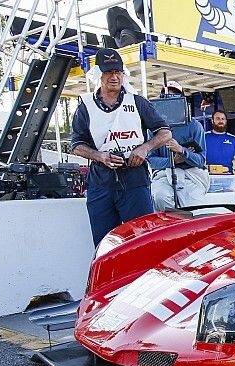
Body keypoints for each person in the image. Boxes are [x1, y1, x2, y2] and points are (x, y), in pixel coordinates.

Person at [71, 47, 172, 247]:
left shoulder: (137, 102)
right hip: (101, 183)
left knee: (145, 242)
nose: (114, 77)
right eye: (109, 72)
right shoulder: (85, 105)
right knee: (104, 245)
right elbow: (76, 145)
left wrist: (145, 148)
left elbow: (165, 132)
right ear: (100, 74)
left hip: (135, 180)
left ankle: (145, 277)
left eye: (118, 72)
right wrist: (99, 156)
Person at [148, 81, 209, 210]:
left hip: (192, 175)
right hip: (164, 174)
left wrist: (182, 151)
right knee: (160, 197)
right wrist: (171, 162)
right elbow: (150, 160)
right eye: (167, 95)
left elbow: (201, 159)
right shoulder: (153, 129)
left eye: (175, 94)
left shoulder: (194, 126)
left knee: (193, 208)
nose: (171, 98)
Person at [205, 109, 235, 177]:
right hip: (207, 178)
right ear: (212, 121)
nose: (221, 121)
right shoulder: (203, 137)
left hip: (228, 179)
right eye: (218, 119)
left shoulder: (233, 139)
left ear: (226, 121)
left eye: (223, 119)